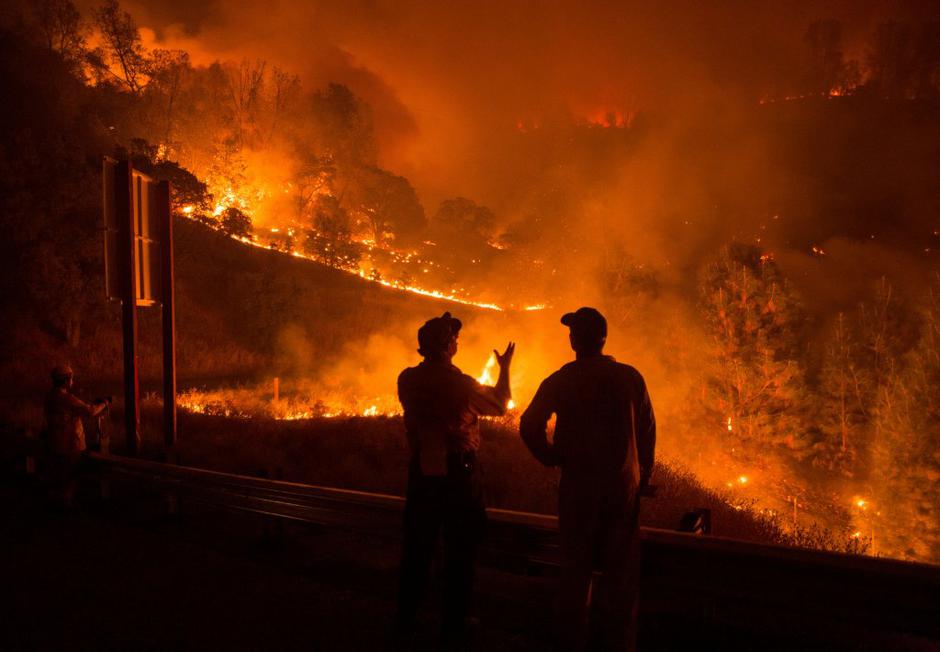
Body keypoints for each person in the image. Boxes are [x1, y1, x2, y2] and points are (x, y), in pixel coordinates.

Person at [520, 307, 655, 652]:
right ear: (604, 338)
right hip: (622, 491)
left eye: (573, 332)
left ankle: (572, 642)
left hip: (579, 489)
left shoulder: (563, 378)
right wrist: (641, 477)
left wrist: (549, 456)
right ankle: (618, 644)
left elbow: (529, 423)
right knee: (621, 576)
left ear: (575, 340)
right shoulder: (631, 378)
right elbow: (647, 433)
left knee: (575, 572)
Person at [395, 312, 514, 648]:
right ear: (449, 346)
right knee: (460, 550)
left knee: (418, 547)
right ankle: (454, 623)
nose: (457, 341)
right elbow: (502, 404)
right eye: (453, 338)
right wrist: (504, 367)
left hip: (422, 472)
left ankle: (406, 618)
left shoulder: (407, 379)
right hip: (457, 475)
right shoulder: (462, 385)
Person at [42, 365, 108, 508]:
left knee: (59, 476)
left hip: (54, 442)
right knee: (71, 476)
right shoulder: (67, 399)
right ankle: (65, 505)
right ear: (66, 380)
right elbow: (90, 411)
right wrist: (104, 403)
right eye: (71, 378)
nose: (72, 381)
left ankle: (54, 503)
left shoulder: (50, 397)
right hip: (70, 444)